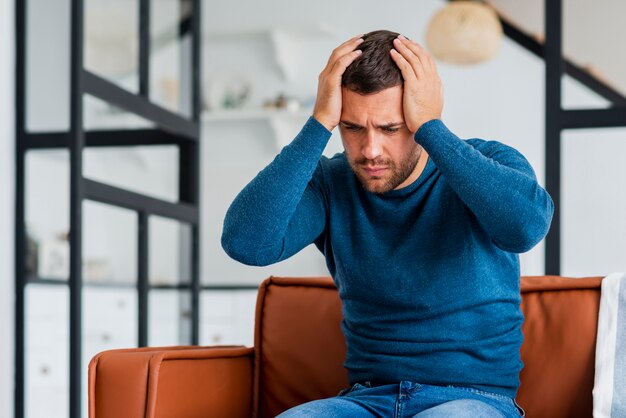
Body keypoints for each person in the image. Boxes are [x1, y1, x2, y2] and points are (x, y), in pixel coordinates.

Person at [221, 29, 553, 417]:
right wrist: (317, 123)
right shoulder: (331, 183)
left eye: (390, 128)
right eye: (352, 127)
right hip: (365, 399)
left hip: (473, 399)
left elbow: (526, 228)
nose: (370, 150)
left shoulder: (486, 162)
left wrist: (432, 127)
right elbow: (247, 243)